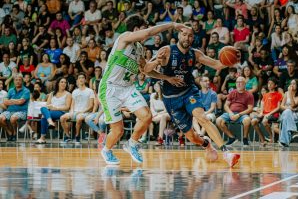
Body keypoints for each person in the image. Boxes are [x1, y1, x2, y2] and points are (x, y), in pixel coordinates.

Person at [144, 26, 241, 168]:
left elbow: (217, 64)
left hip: (189, 92)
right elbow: (146, 70)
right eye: (184, 34)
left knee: (202, 118)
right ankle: (206, 144)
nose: (187, 38)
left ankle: (227, 153)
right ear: (179, 36)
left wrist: (231, 60)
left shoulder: (195, 54)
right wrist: (165, 74)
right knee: (191, 136)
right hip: (171, 99)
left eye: (190, 36)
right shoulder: (166, 51)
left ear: (193, 38)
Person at [98, 15, 187, 165]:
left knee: (147, 116)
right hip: (110, 87)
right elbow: (147, 33)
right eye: (143, 28)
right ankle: (106, 150)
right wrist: (171, 24)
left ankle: (132, 143)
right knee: (118, 131)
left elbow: (145, 70)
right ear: (137, 29)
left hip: (127, 88)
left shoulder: (139, 48)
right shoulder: (124, 38)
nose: (146, 34)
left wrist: (166, 77)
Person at [216, 76, 254, 146]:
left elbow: (250, 109)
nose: (239, 84)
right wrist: (230, 113)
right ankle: (232, 137)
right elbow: (226, 105)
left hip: (242, 114)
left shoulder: (249, 94)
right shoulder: (232, 92)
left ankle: (245, 138)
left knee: (247, 120)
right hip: (231, 113)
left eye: (241, 82)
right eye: (237, 82)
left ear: (245, 84)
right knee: (218, 121)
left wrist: (238, 115)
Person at [60, 73, 94, 143]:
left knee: (79, 118)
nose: (81, 79)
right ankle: (67, 135)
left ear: (85, 80)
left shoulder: (90, 91)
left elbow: (91, 106)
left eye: (82, 78)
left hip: (85, 112)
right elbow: (72, 104)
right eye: (79, 78)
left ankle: (77, 136)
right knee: (62, 118)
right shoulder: (75, 91)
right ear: (77, 80)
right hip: (75, 111)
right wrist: (72, 111)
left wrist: (82, 112)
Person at [35, 77, 72, 144]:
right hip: (51, 111)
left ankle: (42, 138)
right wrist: (51, 107)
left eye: (65, 82)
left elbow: (67, 107)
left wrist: (56, 108)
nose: (64, 84)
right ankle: (50, 122)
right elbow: (48, 104)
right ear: (58, 83)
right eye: (62, 82)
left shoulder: (68, 94)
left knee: (44, 116)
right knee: (43, 108)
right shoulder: (52, 93)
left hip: (61, 112)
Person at [0, 73, 30, 141]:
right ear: (14, 81)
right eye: (16, 80)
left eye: (19, 80)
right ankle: (9, 132)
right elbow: (5, 101)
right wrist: (15, 101)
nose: (18, 81)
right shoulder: (11, 90)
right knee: (1, 118)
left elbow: (21, 102)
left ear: (22, 81)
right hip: (10, 110)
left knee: (13, 118)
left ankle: (14, 133)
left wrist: (11, 100)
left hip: (22, 111)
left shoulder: (26, 91)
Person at [278, 79, 298, 147]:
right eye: (291, 83)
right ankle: (293, 130)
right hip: (287, 112)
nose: (292, 85)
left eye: (294, 84)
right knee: (288, 112)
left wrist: (290, 93)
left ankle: (284, 141)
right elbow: (281, 106)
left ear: (297, 85)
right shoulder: (286, 93)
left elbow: (293, 105)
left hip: (296, 114)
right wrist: (288, 108)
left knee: (285, 119)